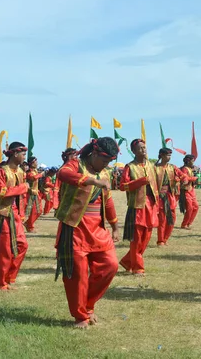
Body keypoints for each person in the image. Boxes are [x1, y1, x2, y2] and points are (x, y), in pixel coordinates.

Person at [54, 137, 120, 329]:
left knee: (110, 265)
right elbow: (62, 174)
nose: (106, 165)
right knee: (78, 275)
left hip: (97, 228)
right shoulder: (76, 164)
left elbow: (107, 200)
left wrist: (115, 225)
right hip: (74, 228)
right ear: (94, 153)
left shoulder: (105, 173)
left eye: (109, 162)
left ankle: (88, 305)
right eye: (104, 161)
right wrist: (90, 180)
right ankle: (81, 315)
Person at [0, 142, 29, 290]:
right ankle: (0, 283)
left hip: (14, 213)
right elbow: (1, 192)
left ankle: (9, 277)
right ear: (15, 154)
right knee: (5, 250)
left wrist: (21, 214)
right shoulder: (2, 171)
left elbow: (19, 198)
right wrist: (23, 188)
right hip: (3, 213)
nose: (24, 157)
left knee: (22, 245)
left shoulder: (20, 172)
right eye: (23, 154)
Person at [119, 139, 159, 276]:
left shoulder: (151, 165)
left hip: (151, 205)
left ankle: (127, 261)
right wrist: (139, 182)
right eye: (140, 148)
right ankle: (137, 267)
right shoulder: (129, 167)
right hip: (137, 206)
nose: (144, 150)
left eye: (145, 147)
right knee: (137, 239)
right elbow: (122, 186)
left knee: (146, 238)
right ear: (134, 151)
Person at [155, 148, 184, 246]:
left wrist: (180, 179)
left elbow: (183, 176)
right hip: (160, 196)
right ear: (162, 155)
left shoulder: (173, 167)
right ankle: (160, 240)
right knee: (162, 220)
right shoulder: (155, 168)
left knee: (172, 219)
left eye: (170, 155)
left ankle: (165, 238)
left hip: (170, 195)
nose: (169, 157)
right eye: (167, 155)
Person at [24, 157, 44, 233]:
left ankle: (28, 223)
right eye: (36, 162)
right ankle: (30, 226)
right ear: (32, 163)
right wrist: (41, 174)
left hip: (36, 193)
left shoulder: (35, 171)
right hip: (31, 193)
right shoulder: (29, 172)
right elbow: (33, 178)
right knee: (33, 211)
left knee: (39, 211)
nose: (37, 163)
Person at [179, 154, 199, 229]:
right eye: (192, 161)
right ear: (188, 161)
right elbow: (185, 178)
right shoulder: (184, 169)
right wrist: (194, 178)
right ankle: (184, 224)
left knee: (196, 207)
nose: (193, 162)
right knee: (189, 208)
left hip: (191, 190)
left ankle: (188, 223)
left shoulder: (189, 169)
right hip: (185, 190)